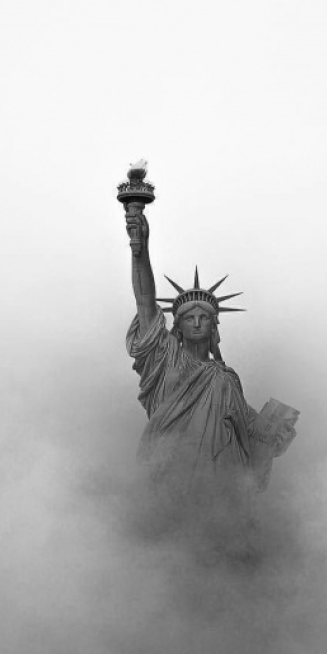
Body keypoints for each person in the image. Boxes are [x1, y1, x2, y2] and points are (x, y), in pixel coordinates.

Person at [123, 203, 295, 496]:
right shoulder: (165, 358)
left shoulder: (226, 378)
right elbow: (145, 301)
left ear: (215, 327)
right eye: (190, 318)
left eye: (205, 318)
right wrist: (140, 250)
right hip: (172, 468)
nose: (198, 323)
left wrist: (277, 434)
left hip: (221, 477)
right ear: (178, 326)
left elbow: (252, 432)